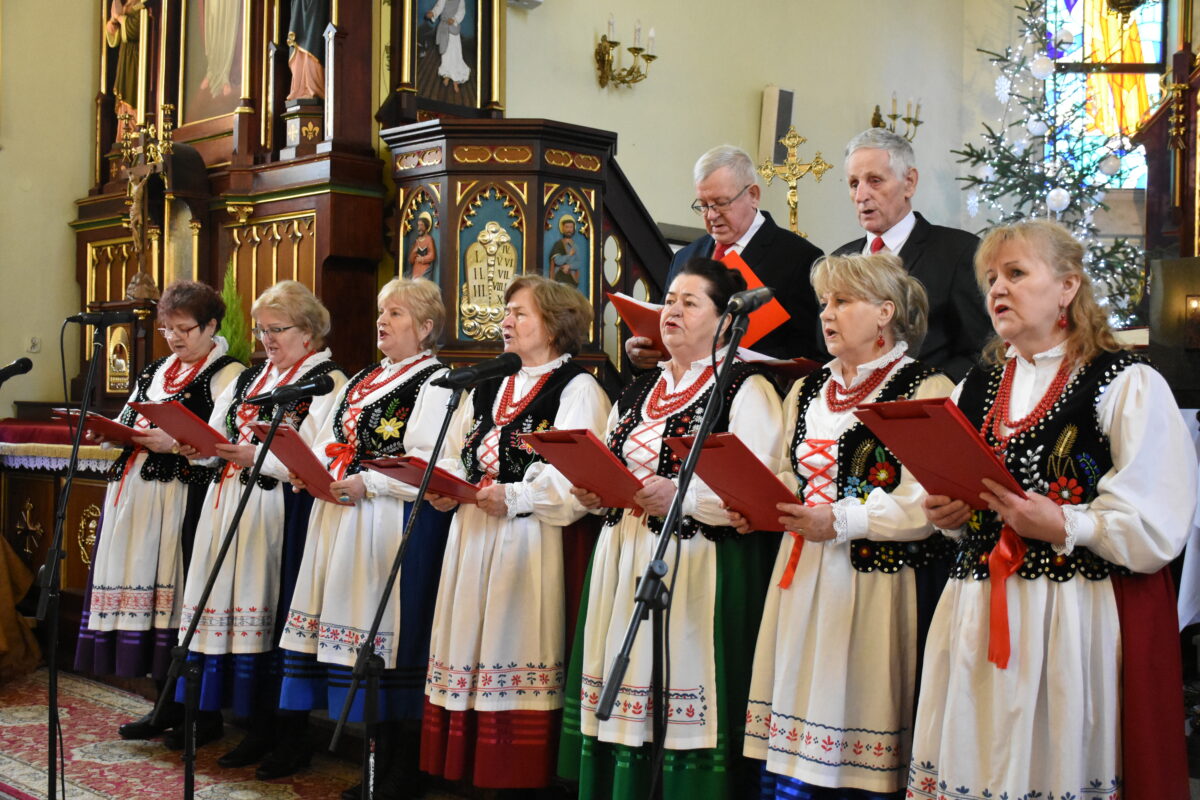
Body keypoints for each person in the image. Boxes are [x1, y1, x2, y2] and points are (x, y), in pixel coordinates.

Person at [908, 221, 1196, 800]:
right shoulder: (980, 383)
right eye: (991, 278)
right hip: (977, 602)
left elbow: (1157, 519)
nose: (997, 289)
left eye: (1016, 273)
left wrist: (1065, 522)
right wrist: (949, 510)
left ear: (1067, 287)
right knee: (977, 759)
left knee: (1052, 761)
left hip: (1069, 614)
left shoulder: (1126, 381)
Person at [560, 258, 785, 799]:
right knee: (626, 682)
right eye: (669, 300)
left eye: (690, 302)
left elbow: (753, 486)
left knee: (680, 684)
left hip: (696, 559)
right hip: (625, 551)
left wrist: (680, 497)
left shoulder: (745, 389)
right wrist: (592, 489)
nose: (672, 311)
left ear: (726, 322)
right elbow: (610, 458)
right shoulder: (640, 391)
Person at [734, 253, 953, 797]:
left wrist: (840, 518)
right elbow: (788, 472)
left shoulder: (927, 387)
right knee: (800, 708)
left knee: (859, 715)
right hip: (803, 572)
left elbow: (924, 499)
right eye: (825, 303)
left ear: (885, 312)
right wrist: (757, 502)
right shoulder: (808, 389)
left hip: (879, 581)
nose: (827, 315)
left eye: (843, 302)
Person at [421, 275, 611, 792]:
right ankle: (469, 767)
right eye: (505, 312)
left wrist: (516, 496)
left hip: (531, 540)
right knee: (469, 644)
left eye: (519, 313)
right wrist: (445, 486)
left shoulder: (577, 388)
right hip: (473, 534)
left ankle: (515, 773)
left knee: (515, 643)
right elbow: (455, 448)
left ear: (554, 324)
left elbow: (576, 475)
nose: (505, 321)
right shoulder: (488, 384)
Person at [277, 277, 454, 800]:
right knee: (355, 637)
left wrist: (368, 481)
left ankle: (402, 770)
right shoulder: (363, 378)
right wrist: (312, 467)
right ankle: (373, 761)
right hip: (344, 517)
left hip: (392, 523)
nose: (383, 320)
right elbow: (330, 435)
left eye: (397, 313)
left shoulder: (437, 382)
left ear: (425, 328)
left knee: (391, 642)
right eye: (382, 311)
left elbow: (429, 460)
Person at [174, 281, 345, 774]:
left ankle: (290, 737)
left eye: (277, 329)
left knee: (275, 623)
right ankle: (254, 728)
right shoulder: (252, 377)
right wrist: (202, 446)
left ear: (309, 332)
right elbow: (221, 428)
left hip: (281, 513)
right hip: (229, 502)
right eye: (261, 329)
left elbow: (318, 456)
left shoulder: (325, 380)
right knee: (231, 616)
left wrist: (257, 457)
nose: (266, 338)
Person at [74, 280, 244, 742]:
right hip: (140, 495)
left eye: (184, 328)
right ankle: (163, 705)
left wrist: (177, 443)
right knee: (148, 603)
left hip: (185, 496)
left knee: (181, 603)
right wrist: (114, 433)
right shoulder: (155, 370)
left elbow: (224, 442)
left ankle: (200, 716)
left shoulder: (228, 374)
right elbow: (131, 418)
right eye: (167, 328)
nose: (174, 337)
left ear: (211, 325)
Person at [626, 145, 825, 367]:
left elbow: (813, 349)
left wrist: (746, 359)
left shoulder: (799, 258)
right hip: (686, 391)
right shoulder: (684, 257)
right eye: (703, 205)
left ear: (753, 195)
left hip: (755, 391)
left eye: (721, 203)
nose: (711, 215)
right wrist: (646, 352)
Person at [833, 128, 991, 382]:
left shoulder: (958, 252)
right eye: (854, 184)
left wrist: (927, 390)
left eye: (875, 181)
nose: (861, 196)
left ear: (909, 182)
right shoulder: (840, 260)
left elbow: (982, 350)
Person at [426, 0, 470, 93]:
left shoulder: (460, 0)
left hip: (453, 28)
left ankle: (456, 79)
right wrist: (433, 13)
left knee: (455, 52)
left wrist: (454, 19)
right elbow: (439, 7)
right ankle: (447, 74)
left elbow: (461, 11)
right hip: (443, 26)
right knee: (445, 52)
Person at [549, 214, 582, 288]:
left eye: (571, 227)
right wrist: (569, 255)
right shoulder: (558, 244)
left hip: (572, 278)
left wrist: (569, 266)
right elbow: (557, 261)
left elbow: (579, 263)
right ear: (562, 228)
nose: (569, 230)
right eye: (567, 227)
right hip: (559, 278)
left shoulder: (575, 246)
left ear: (573, 229)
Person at [408, 212, 437, 280]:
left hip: (424, 270)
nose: (419, 228)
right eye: (418, 225)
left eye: (421, 225)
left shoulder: (429, 239)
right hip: (416, 271)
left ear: (426, 226)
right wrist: (414, 252)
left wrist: (422, 259)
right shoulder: (417, 241)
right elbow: (411, 260)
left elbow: (432, 255)